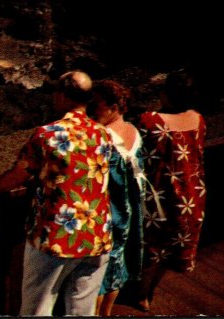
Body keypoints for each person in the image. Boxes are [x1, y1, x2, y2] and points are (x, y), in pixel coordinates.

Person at [0, 70, 114, 316]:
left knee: (37, 309)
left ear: (61, 96)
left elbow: (19, 175)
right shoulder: (102, 134)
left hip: (56, 237)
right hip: (96, 234)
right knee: (81, 310)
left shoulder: (47, 135)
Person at [135, 69, 206, 311]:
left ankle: (141, 294)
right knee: (174, 245)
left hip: (160, 194)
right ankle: (150, 291)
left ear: (165, 94)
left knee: (152, 248)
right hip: (192, 192)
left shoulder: (150, 121)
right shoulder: (198, 119)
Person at [89, 80, 146, 316]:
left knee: (96, 275)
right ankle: (107, 312)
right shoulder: (133, 131)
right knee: (115, 267)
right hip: (128, 211)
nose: (92, 109)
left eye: (97, 105)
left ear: (113, 107)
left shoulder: (104, 137)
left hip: (108, 212)